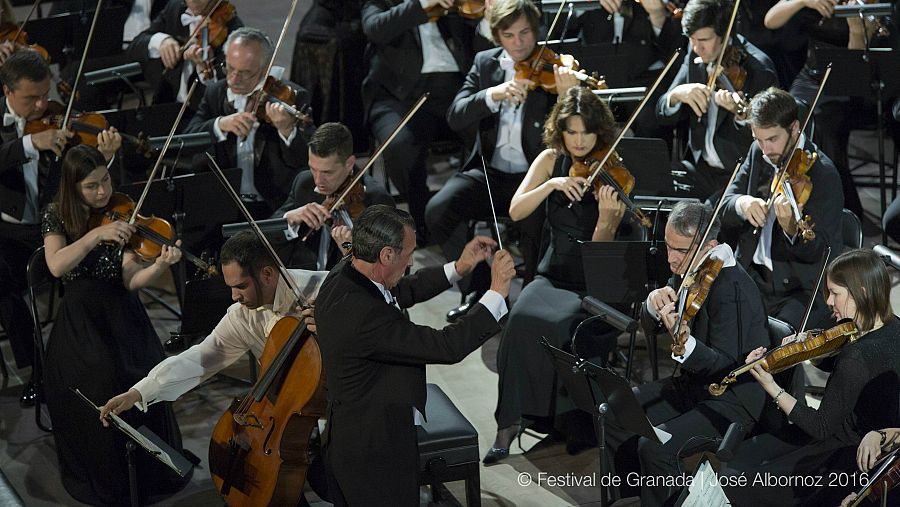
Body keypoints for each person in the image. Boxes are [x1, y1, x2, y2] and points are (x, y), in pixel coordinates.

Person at [98, 230, 325, 502]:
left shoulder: (321, 290)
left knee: (332, 479)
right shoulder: (242, 316)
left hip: (337, 404)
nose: (233, 296)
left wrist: (330, 328)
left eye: (240, 286)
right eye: (230, 287)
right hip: (283, 415)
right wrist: (138, 392)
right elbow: (201, 357)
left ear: (267, 274)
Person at [315, 204, 516, 506]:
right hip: (373, 454)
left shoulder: (350, 271)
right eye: (408, 255)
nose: (410, 263)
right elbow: (446, 346)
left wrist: (459, 268)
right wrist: (497, 293)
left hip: (362, 430)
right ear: (386, 255)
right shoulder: (363, 315)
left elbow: (401, 290)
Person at [484, 86, 627, 464]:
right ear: (560, 132)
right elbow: (516, 210)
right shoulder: (551, 159)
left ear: (600, 132)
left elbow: (604, 253)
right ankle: (509, 424)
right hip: (553, 274)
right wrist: (550, 184)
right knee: (519, 320)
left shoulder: (615, 169)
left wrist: (606, 223)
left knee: (567, 326)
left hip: (594, 279)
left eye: (587, 133)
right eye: (572, 132)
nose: (579, 142)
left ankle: (570, 422)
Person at [41, 144, 186, 505]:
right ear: (74, 188)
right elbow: (56, 266)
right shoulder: (57, 214)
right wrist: (93, 237)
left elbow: (130, 279)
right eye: (92, 186)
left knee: (147, 374)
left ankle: (151, 473)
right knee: (100, 376)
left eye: (105, 180)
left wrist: (158, 267)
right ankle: (111, 478)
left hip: (123, 311)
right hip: (82, 319)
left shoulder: (121, 211)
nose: (103, 191)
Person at [606, 201, 769, 506]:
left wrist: (684, 342)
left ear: (709, 245)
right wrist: (652, 303)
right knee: (615, 410)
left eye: (680, 251)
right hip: (695, 385)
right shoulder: (693, 269)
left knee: (653, 448)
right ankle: (628, 497)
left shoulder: (734, 291)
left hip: (732, 399)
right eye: (668, 246)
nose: (671, 259)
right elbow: (655, 321)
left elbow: (724, 365)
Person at [426, 0, 578, 322]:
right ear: (497, 37)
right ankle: (478, 287)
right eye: (509, 35)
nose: (519, 43)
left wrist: (567, 97)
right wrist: (492, 95)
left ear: (536, 31)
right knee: (437, 211)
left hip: (532, 180)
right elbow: (455, 115)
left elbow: (574, 135)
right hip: (489, 174)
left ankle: (529, 307)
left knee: (536, 226)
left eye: (525, 33)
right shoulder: (485, 63)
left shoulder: (554, 67)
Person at [720, 248, 900, 506]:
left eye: (835, 293)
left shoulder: (856, 356)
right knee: (746, 459)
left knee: (742, 481)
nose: (828, 302)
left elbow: (821, 426)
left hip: (841, 457)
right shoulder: (893, 326)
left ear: (862, 291)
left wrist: (771, 387)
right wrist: (811, 351)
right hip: (875, 449)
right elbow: (852, 381)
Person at [0, 50, 118, 407]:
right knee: (4, 289)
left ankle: (96, 364)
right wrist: (29, 143)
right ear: (7, 92)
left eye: (45, 94)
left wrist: (106, 157)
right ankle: (37, 368)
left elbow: (84, 174)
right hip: (8, 232)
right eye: (30, 99)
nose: (42, 105)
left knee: (94, 275)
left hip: (58, 227)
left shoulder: (59, 117)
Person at [721, 86, 843, 330]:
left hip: (796, 288)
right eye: (759, 139)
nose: (766, 150)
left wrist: (791, 231)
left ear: (795, 128)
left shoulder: (823, 174)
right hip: (752, 273)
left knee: (771, 347)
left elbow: (822, 252)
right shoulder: (760, 152)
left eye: (773, 139)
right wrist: (742, 203)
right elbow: (725, 203)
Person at [361, 0, 485, 239]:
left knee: (490, 132)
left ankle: (471, 207)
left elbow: (478, 41)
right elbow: (374, 27)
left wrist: (489, 17)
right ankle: (424, 217)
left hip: (453, 90)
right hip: (397, 97)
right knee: (399, 146)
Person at [184, 27, 313, 218]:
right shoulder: (216, 93)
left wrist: (287, 131)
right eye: (229, 68)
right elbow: (187, 140)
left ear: (265, 69)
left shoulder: (293, 96)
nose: (233, 79)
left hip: (274, 206)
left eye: (245, 73)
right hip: (225, 203)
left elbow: (309, 159)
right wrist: (219, 125)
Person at [656, 0, 778, 202]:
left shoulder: (758, 69)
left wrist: (741, 116)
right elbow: (661, 111)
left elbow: (768, 142)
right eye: (691, 39)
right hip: (700, 169)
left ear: (725, 34)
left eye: (703, 39)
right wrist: (677, 94)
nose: (696, 48)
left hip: (739, 174)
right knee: (654, 191)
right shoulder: (694, 55)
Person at [271, 122, 394, 270]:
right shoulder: (304, 183)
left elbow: (390, 270)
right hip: (304, 280)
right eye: (313, 168)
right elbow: (265, 233)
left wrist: (350, 249)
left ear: (349, 163)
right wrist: (289, 218)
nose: (318, 180)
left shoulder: (377, 201)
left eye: (327, 172)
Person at [127, 0, 244, 106]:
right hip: (167, 102)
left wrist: (205, 70)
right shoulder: (176, 7)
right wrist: (160, 41)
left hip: (200, 113)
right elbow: (134, 47)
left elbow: (227, 96)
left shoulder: (234, 32)